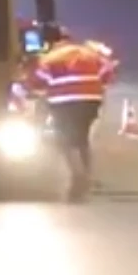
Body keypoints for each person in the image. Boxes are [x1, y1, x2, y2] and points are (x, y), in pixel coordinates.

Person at [28, 24, 115, 201]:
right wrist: (99, 84)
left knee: (65, 140)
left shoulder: (50, 58)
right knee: (82, 138)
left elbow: (38, 82)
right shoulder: (87, 53)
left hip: (64, 102)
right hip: (91, 101)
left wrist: (35, 89)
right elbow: (107, 70)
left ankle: (78, 175)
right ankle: (87, 176)